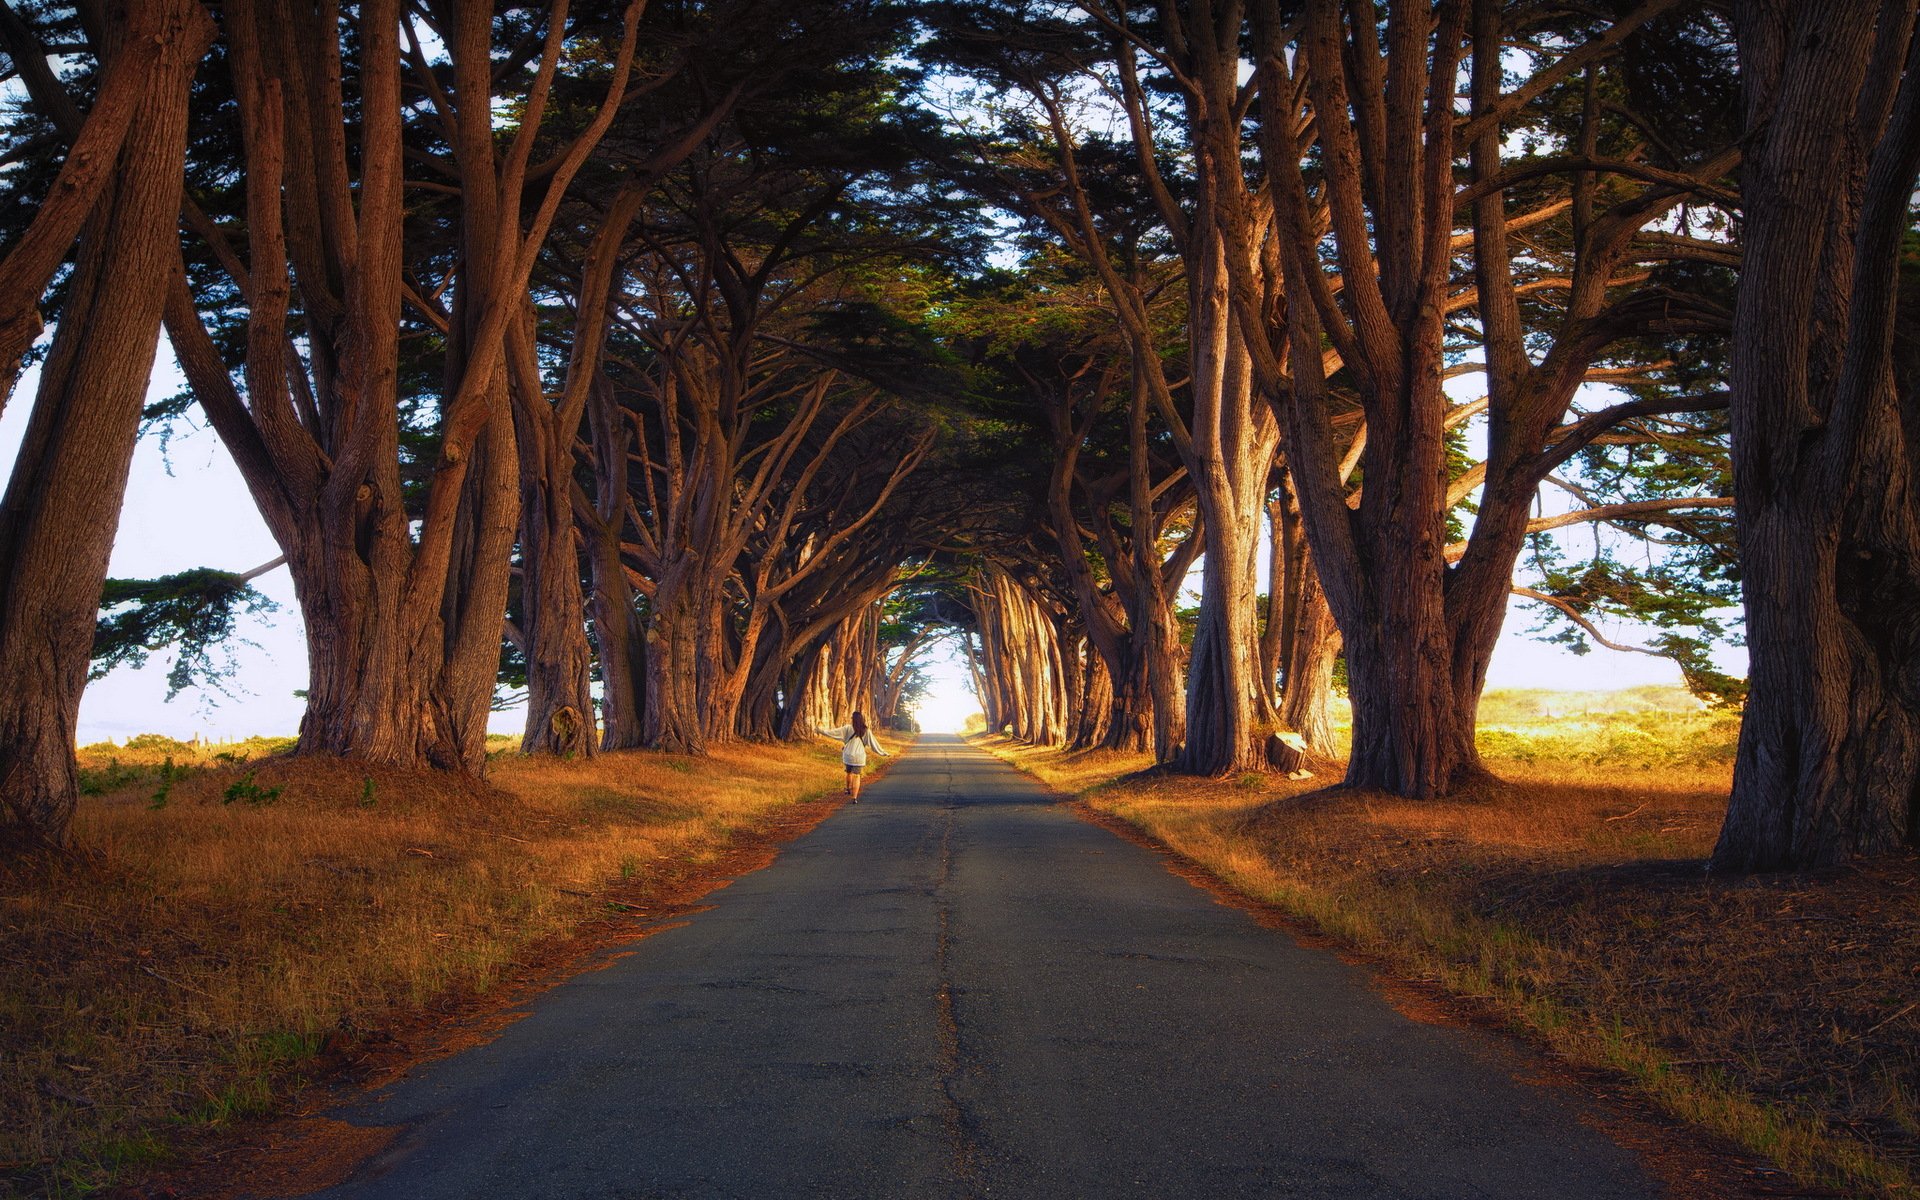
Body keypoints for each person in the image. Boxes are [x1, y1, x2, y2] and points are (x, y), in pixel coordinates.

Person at [819, 710, 888, 802]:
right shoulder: (866, 730)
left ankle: (848, 789)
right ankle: (854, 798)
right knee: (857, 776)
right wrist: (883, 752)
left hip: (848, 755)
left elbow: (833, 733)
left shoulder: (847, 728)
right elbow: (874, 744)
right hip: (859, 757)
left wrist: (821, 731)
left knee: (848, 772)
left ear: (853, 719)